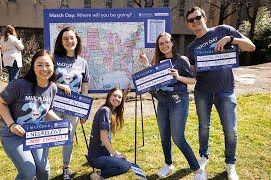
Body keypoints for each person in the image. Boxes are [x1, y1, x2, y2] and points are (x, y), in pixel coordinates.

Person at [185, 7, 255, 180]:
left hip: (226, 90)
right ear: (189, 26)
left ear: (205, 18)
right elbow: (194, 72)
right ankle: (203, 157)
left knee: (231, 130)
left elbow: (251, 47)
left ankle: (230, 164)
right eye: (191, 20)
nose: (195, 22)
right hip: (202, 92)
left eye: (197, 18)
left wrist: (231, 39)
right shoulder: (191, 47)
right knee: (203, 128)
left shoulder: (223, 30)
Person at [140, 32, 207, 179]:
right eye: (161, 43)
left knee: (178, 138)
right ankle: (168, 164)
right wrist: (146, 64)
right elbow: (152, 79)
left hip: (178, 101)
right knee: (164, 136)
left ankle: (198, 170)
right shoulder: (158, 62)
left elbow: (193, 80)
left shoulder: (181, 60)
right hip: (162, 103)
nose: (164, 45)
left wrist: (178, 77)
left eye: (166, 42)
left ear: (172, 43)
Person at [0, 50, 61, 179]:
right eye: (39, 65)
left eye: (48, 65)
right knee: (28, 171)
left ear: (53, 67)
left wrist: (61, 122)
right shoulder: (19, 85)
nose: (44, 69)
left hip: (35, 134)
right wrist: (11, 125)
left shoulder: (52, 87)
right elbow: (1, 102)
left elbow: (47, 110)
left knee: (43, 171)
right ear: (33, 66)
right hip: (12, 134)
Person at [53, 26, 89, 180]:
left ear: (77, 40)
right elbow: (45, 81)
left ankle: (66, 168)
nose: (69, 41)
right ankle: (41, 168)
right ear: (61, 42)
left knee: (68, 137)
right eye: (65, 38)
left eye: (71, 38)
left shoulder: (82, 62)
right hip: (53, 104)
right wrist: (61, 86)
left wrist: (83, 111)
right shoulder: (54, 59)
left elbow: (85, 87)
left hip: (73, 107)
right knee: (49, 136)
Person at [88, 87, 131, 180]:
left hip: (104, 153)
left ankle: (106, 166)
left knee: (125, 160)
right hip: (96, 157)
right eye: (114, 96)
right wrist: (116, 155)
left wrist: (124, 95)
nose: (117, 98)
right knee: (125, 166)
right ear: (109, 96)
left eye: (119, 97)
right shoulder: (105, 111)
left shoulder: (110, 111)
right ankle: (99, 175)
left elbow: (118, 106)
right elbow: (104, 139)